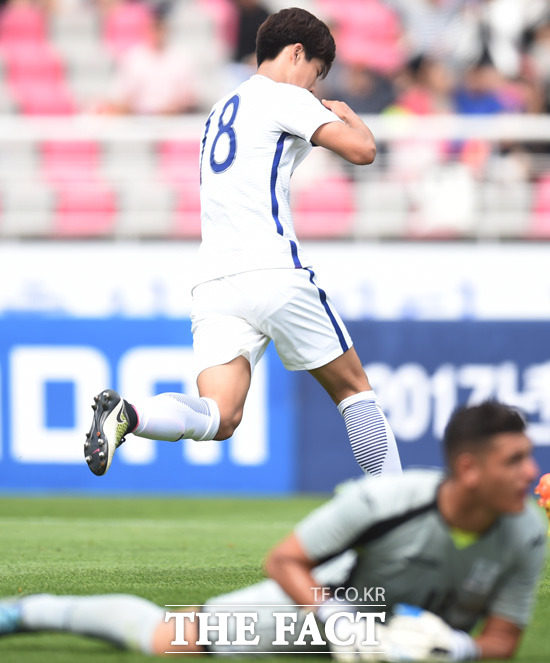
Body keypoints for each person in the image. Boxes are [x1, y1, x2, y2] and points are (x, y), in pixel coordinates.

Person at [84, 7, 402, 478]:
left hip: (214, 281)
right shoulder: (283, 96)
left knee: (221, 414)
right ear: (297, 53)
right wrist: (350, 116)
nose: (313, 88)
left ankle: (131, 414)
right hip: (272, 269)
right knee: (354, 389)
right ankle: (397, 512)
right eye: (315, 74)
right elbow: (364, 152)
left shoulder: (219, 110)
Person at [7, 401, 546, 659]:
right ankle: (26, 612)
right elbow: (284, 561)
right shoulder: (384, 500)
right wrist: (336, 621)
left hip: (396, 633)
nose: (530, 472)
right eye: (514, 460)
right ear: (470, 470)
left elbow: (503, 638)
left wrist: (458, 649)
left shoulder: (527, 534)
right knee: (170, 639)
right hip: (323, 607)